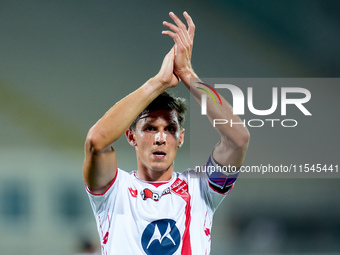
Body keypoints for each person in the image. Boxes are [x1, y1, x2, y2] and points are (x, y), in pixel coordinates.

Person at [83, 11, 250, 255]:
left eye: (169, 129)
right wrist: (157, 83)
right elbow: (96, 142)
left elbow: (239, 139)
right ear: (131, 137)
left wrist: (188, 75)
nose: (160, 138)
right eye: (150, 128)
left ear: (180, 138)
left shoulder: (199, 188)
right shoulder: (114, 189)